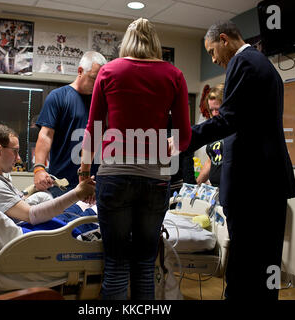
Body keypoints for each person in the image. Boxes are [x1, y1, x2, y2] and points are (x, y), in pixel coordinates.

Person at [79, 18, 192, 300]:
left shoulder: (109, 71)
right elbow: (184, 136)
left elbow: (94, 127)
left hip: (114, 176)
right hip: (155, 180)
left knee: (116, 264)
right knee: (144, 263)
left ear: (126, 42)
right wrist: (171, 144)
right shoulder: (174, 75)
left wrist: (84, 170)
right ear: (155, 43)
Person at [186, 21, 295, 300]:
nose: (214, 60)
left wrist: (183, 140)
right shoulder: (265, 66)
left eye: (213, 52)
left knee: (244, 265)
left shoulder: (243, 62)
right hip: (268, 182)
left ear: (224, 40)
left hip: (253, 185)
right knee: (265, 264)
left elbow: (227, 120)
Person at [0, 124, 97, 236]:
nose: (18, 158)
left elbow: (16, 202)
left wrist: (35, 188)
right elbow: (32, 215)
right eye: (15, 151)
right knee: (96, 211)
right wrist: (77, 193)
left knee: (83, 206)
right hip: (33, 233)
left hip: (34, 226)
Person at [34, 51, 107, 197]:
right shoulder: (58, 97)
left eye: (101, 80)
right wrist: (39, 169)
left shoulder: (103, 103)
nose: (98, 84)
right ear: (80, 71)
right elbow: (46, 135)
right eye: (94, 78)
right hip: (63, 186)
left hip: (95, 186)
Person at [196, 83, 226, 187]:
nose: (214, 113)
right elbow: (211, 161)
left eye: (217, 109)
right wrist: (195, 185)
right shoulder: (215, 130)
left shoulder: (235, 129)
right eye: (211, 110)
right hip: (215, 190)